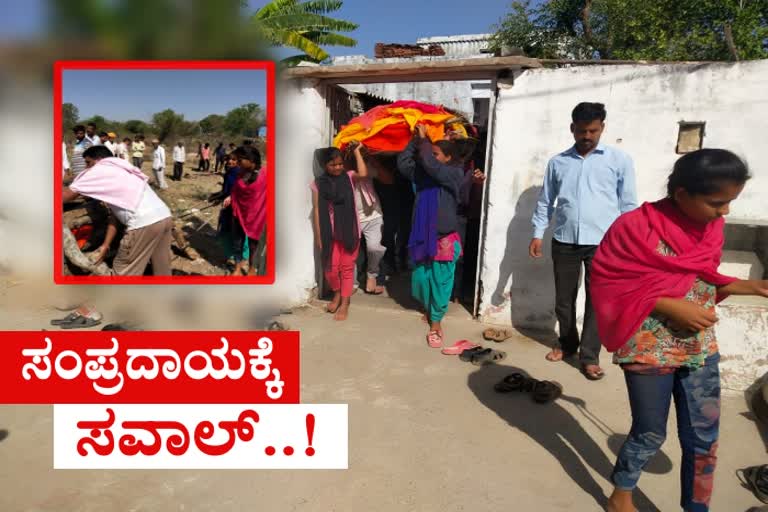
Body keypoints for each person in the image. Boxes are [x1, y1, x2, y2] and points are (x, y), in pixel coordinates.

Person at [589, 149, 767, 512]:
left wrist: (747, 286)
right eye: (717, 202)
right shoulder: (634, 226)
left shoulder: (710, 226)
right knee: (650, 431)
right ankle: (621, 492)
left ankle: (697, 507)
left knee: (705, 434)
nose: (725, 212)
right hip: (646, 344)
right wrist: (668, 304)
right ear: (683, 194)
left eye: (731, 202)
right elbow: (608, 280)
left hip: (699, 345)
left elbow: (699, 277)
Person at [530, 102, 638, 380]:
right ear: (572, 129)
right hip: (564, 240)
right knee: (564, 300)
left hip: (604, 243)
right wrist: (537, 234)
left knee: (597, 301)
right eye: (581, 131)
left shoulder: (619, 160)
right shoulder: (558, 162)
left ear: (602, 128)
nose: (587, 136)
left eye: (593, 130)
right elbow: (546, 202)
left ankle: (589, 356)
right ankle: (567, 344)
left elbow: (627, 205)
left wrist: (628, 243)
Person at [397, 125, 464, 347]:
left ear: (448, 158)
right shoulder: (425, 174)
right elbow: (404, 164)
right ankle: (430, 307)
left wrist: (426, 142)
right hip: (422, 236)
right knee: (421, 279)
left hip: (444, 239)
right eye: (431, 154)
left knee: (441, 281)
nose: (430, 158)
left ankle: (436, 322)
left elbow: (433, 167)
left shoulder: (453, 173)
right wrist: (415, 140)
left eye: (436, 154)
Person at [62, 145, 173, 276]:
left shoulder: (98, 169)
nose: (86, 167)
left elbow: (64, 197)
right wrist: (105, 245)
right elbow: (115, 216)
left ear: (98, 159)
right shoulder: (122, 168)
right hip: (164, 217)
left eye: (88, 162)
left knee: (122, 274)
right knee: (162, 269)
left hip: (143, 223)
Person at [312, 143, 367, 321]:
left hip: (349, 232)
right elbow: (317, 211)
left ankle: (344, 303)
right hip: (330, 235)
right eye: (332, 165)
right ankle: (336, 293)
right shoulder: (317, 184)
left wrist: (357, 152)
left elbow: (364, 173)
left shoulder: (349, 177)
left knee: (347, 268)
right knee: (330, 270)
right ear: (324, 165)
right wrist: (319, 236)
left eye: (340, 164)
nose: (337, 168)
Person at [223, 146, 267, 276]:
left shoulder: (265, 174)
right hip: (238, 212)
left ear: (251, 160)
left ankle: (252, 269)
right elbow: (236, 190)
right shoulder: (239, 173)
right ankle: (237, 267)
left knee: (254, 245)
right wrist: (230, 197)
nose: (237, 162)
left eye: (240, 159)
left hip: (256, 215)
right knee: (237, 242)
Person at [352, 151, 386, 294]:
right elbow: (362, 174)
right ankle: (352, 283)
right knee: (351, 253)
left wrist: (374, 160)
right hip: (354, 218)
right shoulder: (347, 173)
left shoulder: (368, 166)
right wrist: (356, 153)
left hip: (374, 216)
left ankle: (372, 275)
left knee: (374, 248)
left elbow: (388, 179)